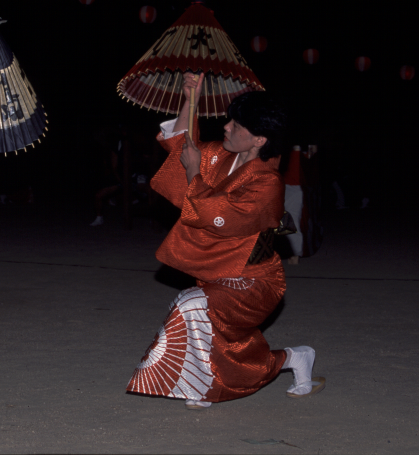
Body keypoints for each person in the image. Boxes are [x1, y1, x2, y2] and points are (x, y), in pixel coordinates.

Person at [127, 72, 323, 409]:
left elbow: (221, 219)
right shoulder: (220, 156)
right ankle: (291, 359)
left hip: (255, 282)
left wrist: (193, 174)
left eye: (236, 125)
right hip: (219, 273)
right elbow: (183, 145)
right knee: (221, 341)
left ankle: (202, 382)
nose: (227, 127)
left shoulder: (268, 184)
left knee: (190, 304)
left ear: (260, 139)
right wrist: (191, 98)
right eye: (229, 120)